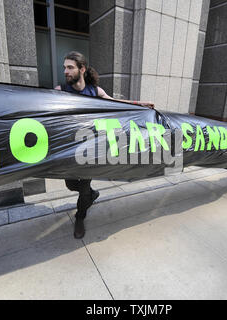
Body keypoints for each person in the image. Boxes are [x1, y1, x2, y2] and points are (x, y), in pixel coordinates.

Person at [55, 51, 154, 239]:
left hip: (90, 148)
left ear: (81, 69)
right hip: (69, 149)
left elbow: (117, 103)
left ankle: (80, 217)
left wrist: (139, 104)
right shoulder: (60, 91)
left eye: (70, 67)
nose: (66, 71)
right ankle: (91, 195)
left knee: (83, 186)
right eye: (64, 68)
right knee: (70, 184)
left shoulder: (95, 91)